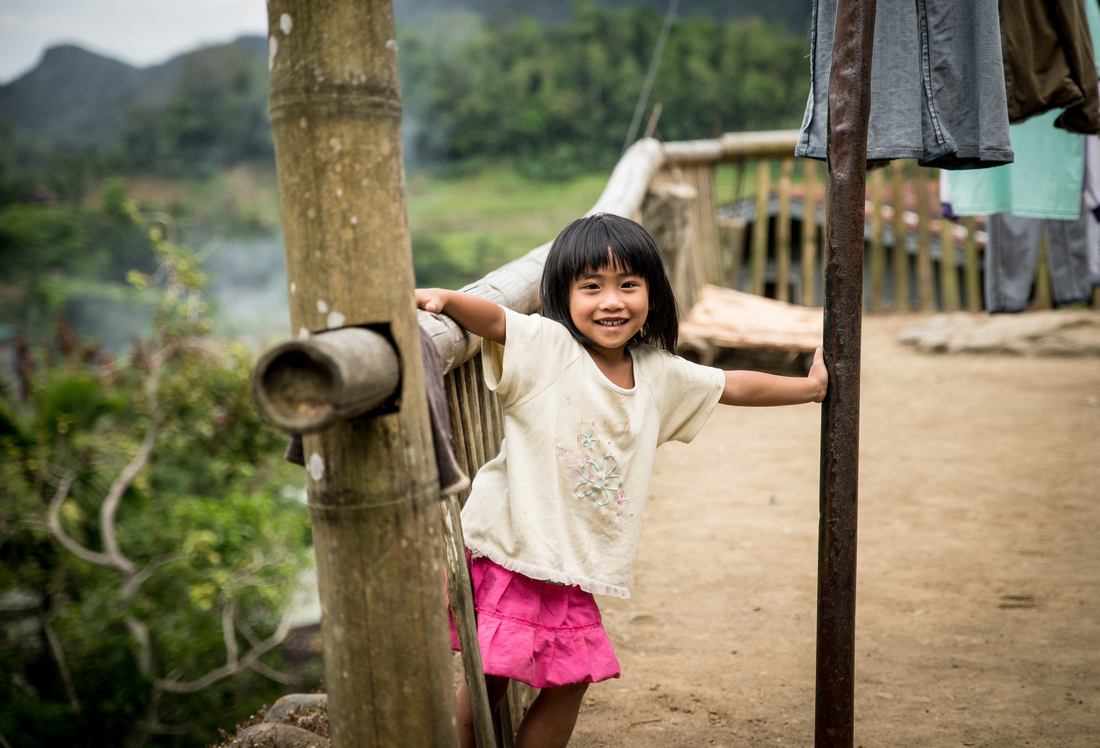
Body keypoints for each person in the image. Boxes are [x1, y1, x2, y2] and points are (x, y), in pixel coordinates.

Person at [415, 213, 827, 748]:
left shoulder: (659, 373)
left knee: (557, 680)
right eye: (592, 287)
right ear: (563, 297)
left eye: (628, 285)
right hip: (511, 552)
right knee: (491, 681)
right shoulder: (549, 350)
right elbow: (496, 320)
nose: (612, 301)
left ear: (653, 295)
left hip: (566, 567)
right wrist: (446, 301)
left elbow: (732, 385)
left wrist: (810, 389)